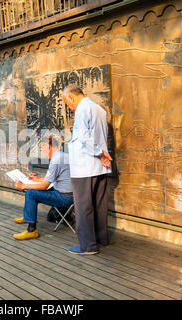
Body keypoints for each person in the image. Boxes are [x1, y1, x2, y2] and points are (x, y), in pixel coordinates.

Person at [62, 84, 112, 255]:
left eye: (67, 103)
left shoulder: (82, 110)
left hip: (84, 167)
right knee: (99, 205)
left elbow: (85, 139)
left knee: (83, 207)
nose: (69, 107)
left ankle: (88, 246)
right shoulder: (99, 109)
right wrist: (101, 154)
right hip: (99, 168)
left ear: (71, 97)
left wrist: (99, 153)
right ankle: (100, 238)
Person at [13, 136, 74, 240]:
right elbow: (51, 180)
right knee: (33, 190)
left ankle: (31, 230)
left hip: (64, 197)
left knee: (31, 193)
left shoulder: (56, 160)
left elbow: (45, 186)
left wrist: (23, 185)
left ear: (48, 146)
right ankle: (28, 216)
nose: (42, 151)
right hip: (67, 193)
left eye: (42, 148)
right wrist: (37, 179)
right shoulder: (61, 156)